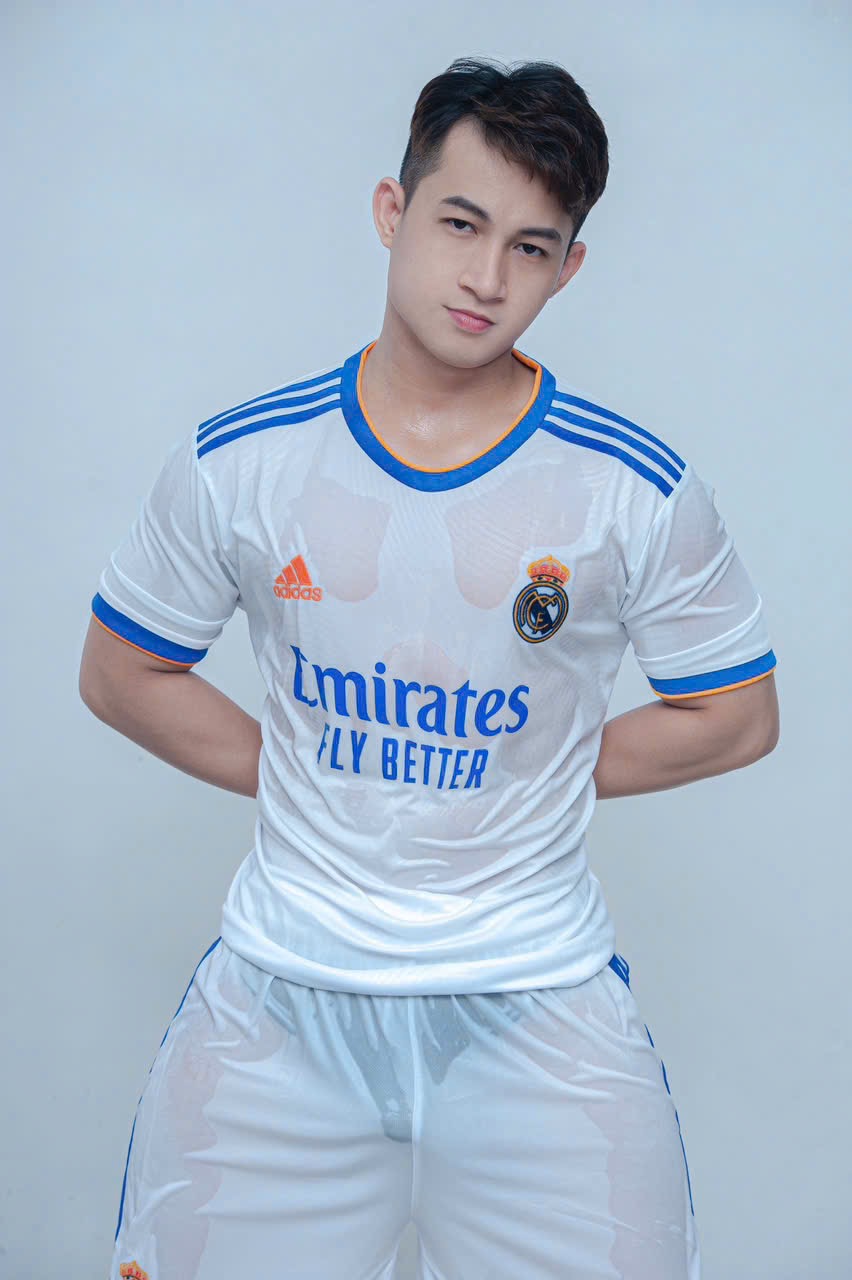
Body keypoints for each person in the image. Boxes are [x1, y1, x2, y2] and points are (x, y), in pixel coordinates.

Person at [80, 55, 779, 1280]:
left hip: (538, 1011)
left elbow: (738, 715)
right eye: (461, 223)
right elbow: (121, 671)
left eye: (529, 246)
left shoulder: (635, 488)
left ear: (568, 268)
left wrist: (531, 772)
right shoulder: (242, 461)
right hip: (280, 1009)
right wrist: (308, 770)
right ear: (392, 210)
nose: (486, 276)